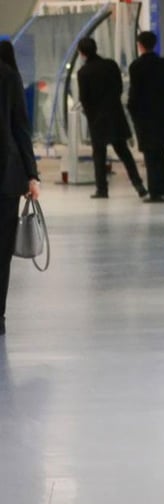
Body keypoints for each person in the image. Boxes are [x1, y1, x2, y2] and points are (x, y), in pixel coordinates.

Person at [0, 41, 41, 336]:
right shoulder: (8, 76)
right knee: (2, 249)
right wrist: (31, 174)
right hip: (6, 175)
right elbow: (20, 128)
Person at [76, 37, 147, 199]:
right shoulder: (110, 65)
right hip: (115, 115)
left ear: (82, 53)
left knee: (99, 155)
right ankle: (138, 185)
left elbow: (84, 98)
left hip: (96, 119)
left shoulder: (83, 73)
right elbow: (119, 88)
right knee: (124, 152)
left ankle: (102, 189)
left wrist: (91, 114)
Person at [127, 31, 164, 203]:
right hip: (162, 117)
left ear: (140, 45)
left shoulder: (136, 66)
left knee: (150, 157)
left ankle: (156, 192)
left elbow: (134, 95)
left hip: (144, 118)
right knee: (163, 156)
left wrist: (134, 113)